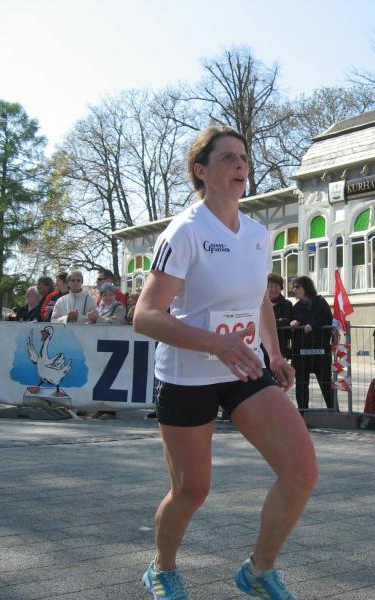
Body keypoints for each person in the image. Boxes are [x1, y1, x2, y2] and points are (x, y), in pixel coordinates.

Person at [133, 125, 317, 600]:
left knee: (301, 472)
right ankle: (162, 568)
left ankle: (258, 571)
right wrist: (215, 344)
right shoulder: (185, 232)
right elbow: (145, 315)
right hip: (186, 375)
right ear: (201, 171)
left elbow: (258, 302)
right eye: (228, 158)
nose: (240, 166)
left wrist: (274, 354)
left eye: (244, 158)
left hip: (243, 368)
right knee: (191, 490)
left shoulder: (257, 234)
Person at [289, 275, 335, 411]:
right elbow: (293, 320)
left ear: (306, 287)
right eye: (293, 288)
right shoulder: (296, 307)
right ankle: (303, 412)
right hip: (302, 351)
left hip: (320, 349)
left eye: (297, 287)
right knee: (302, 383)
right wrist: (293, 323)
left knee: (325, 382)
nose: (295, 290)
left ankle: (334, 410)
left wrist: (313, 325)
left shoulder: (320, 301)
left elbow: (328, 319)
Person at [267, 273, 293, 364]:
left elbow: (286, 321)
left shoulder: (287, 304)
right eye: (270, 286)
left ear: (281, 288)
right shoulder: (260, 304)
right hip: (262, 345)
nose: (273, 289)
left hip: (279, 344)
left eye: (276, 286)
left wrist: (268, 322)